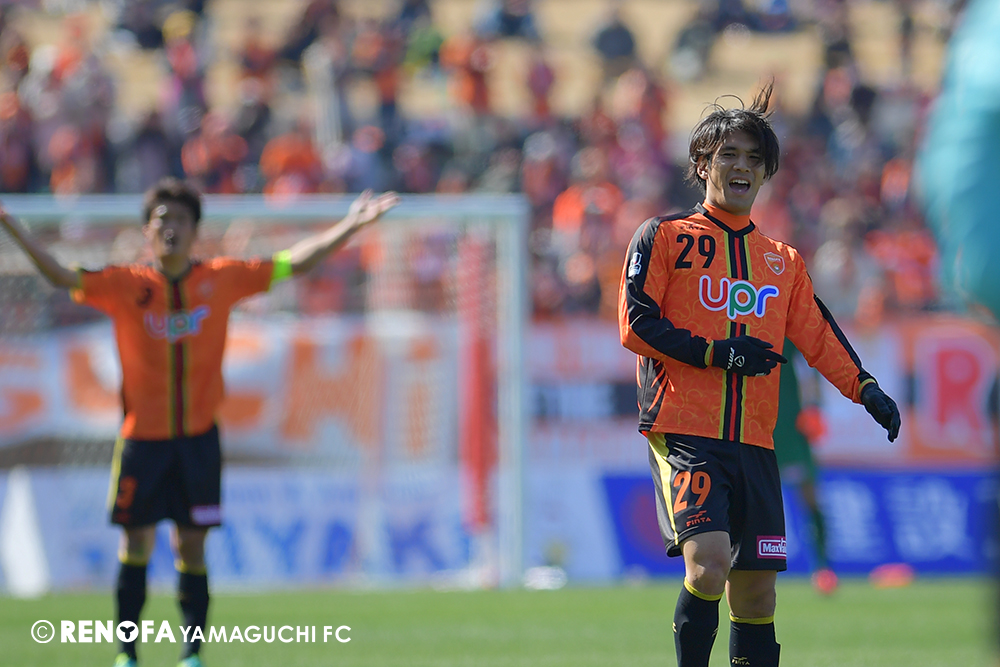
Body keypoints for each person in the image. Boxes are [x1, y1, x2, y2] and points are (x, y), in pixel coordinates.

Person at [0, 178, 399, 667]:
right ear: (147, 231)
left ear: (195, 231)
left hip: (198, 442)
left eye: (181, 220)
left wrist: (350, 226)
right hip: (142, 442)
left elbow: (295, 262)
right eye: (162, 220)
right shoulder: (124, 284)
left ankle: (191, 654)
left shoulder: (222, 278)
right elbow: (61, 276)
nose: (171, 228)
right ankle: (127, 654)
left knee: (190, 545)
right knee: (136, 541)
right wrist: (11, 226)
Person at [618, 82, 900, 667]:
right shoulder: (663, 237)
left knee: (757, 595)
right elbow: (636, 324)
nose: (741, 167)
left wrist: (865, 389)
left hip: (756, 442)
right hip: (686, 433)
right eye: (729, 155)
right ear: (703, 164)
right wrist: (718, 353)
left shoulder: (783, 261)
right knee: (709, 564)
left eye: (754, 158)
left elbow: (819, 334)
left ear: (767, 172)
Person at [772, 340, 836, 595]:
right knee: (753, 498)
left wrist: (814, 408)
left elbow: (813, 363)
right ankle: (746, 565)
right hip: (756, 422)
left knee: (809, 497)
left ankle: (822, 567)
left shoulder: (787, 332)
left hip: (791, 425)